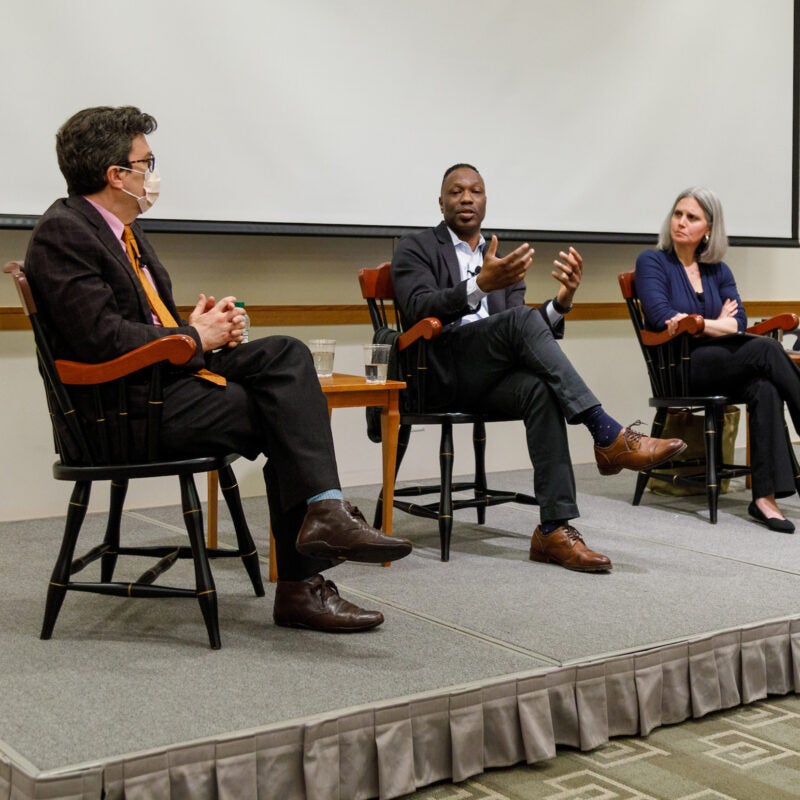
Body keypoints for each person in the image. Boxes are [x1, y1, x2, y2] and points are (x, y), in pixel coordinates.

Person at [24, 105, 414, 633]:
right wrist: (191, 339)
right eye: (146, 162)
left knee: (287, 356)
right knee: (283, 412)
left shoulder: (125, 233)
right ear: (116, 175)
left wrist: (196, 328)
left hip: (160, 384)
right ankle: (305, 577)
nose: (153, 174)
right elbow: (98, 340)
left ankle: (323, 517)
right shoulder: (63, 233)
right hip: (122, 413)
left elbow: (134, 323)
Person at [391, 163, 687, 572]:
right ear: (440, 201)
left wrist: (562, 302)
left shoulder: (503, 259)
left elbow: (522, 334)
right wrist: (479, 286)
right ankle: (607, 434)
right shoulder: (415, 247)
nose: (465, 198)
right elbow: (416, 307)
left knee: (540, 387)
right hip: (437, 372)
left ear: (485, 200)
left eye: (475, 191)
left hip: (486, 377)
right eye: (456, 192)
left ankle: (553, 529)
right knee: (520, 325)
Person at [636, 186, 800, 534]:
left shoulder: (717, 270)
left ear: (708, 229)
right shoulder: (652, 262)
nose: (681, 222)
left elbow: (738, 323)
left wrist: (700, 324)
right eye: (678, 214)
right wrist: (713, 323)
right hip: (682, 367)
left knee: (764, 386)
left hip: (724, 363)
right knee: (768, 349)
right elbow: (662, 316)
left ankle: (765, 500)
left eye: (692, 217)